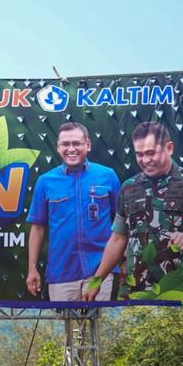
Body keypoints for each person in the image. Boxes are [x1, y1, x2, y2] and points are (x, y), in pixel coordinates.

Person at [85, 121, 183, 301]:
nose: (145, 160)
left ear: (169, 148)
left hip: (178, 288)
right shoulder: (128, 187)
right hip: (134, 288)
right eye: (140, 155)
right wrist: (97, 280)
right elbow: (117, 239)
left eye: (151, 153)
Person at [26, 122, 121, 301]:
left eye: (76, 143)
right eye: (65, 144)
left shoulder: (108, 176)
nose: (71, 149)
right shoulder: (45, 181)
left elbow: (122, 225)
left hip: (101, 271)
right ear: (58, 147)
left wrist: (123, 262)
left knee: (99, 326)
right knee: (65, 327)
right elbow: (38, 228)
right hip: (61, 272)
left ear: (88, 145)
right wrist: (32, 268)